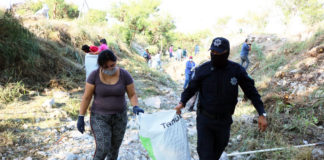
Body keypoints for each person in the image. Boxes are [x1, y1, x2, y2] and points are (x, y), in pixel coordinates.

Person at [174, 37, 267, 160]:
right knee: (206, 155)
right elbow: (191, 88)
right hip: (205, 120)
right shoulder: (203, 70)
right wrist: (182, 102)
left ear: (226, 52)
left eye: (218, 52)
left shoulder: (236, 70)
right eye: (213, 52)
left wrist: (261, 112)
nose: (215, 55)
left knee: (216, 154)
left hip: (224, 122)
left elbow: (251, 92)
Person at [77, 50, 144, 160]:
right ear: (100, 65)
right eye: (106, 66)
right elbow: (87, 97)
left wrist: (135, 106)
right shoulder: (94, 76)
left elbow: (132, 94)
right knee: (103, 147)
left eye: (112, 65)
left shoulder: (124, 75)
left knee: (114, 150)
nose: (109, 68)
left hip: (120, 117)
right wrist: (81, 117)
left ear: (116, 61)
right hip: (99, 117)